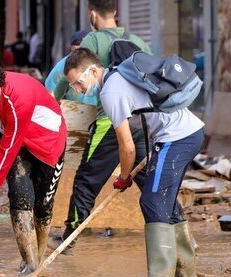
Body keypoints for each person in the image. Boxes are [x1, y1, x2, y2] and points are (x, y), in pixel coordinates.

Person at [64, 48, 205, 277]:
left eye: (78, 81)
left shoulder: (110, 91)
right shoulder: (119, 78)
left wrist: (124, 177)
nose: (78, 89)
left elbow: (127, 146)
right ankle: (185, 276)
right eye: (72, 85)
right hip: (184, 135)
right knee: (166, 204)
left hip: (177, 138)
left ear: (93, 71)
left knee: (152, 200)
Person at [47, 0, 150, 255]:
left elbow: (66, 71)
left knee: (85, 181)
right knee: (149, 182)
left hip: (110, 121)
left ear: (92, 14)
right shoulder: (139, 40)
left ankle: (69, 238)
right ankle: (176, 231)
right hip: (143, 120)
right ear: (115, 11)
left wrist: (52, 103)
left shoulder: (92, 41)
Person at [0, 60, 67, 275]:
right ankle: (30, 265)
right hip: (16, 141)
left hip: (47, 143)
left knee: (43, 205)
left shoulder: (18, 97)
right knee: (20, 199)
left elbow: (9, 147)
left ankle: (39, 252)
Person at [45, 29, 97, 105]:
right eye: (74, 52)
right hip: (75, 111)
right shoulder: (62, 67)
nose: (77, 57)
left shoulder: (99, 65)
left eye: (81, 52)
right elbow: (49, 95)